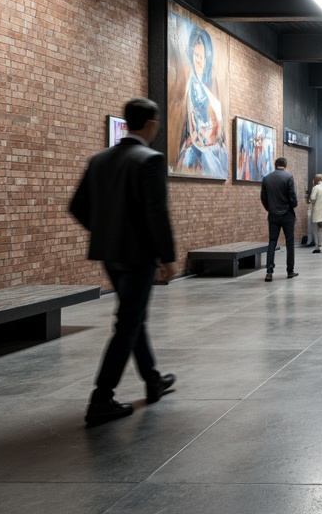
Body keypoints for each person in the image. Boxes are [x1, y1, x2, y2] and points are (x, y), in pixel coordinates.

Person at [70, 97, 178, 426]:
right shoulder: (150, 159)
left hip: (110, 253)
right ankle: (101, 398)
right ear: (151, 124)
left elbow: (77, 206)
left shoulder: (99, 159)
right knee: (128, 322)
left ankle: (153, 379)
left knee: (133, 318)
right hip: (139, 255)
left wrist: (106, 231)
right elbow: (156, 213)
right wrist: (167, 257)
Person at [174, 26, 227, 177]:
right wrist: (193, 138)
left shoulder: (211, 87)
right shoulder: (190, 85)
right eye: (196, 56)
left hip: (210, 148)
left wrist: (205, 139)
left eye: (202, 57)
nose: (198, 62)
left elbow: (218, 126)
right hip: (196, 144)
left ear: (207, 59)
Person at [260, 157, 299, 280]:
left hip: (273, 215)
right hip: (287, 215)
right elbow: (293, 197)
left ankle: (269, 271)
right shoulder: (288, 177)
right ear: (285, 165)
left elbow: (263, 197)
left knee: (272, 242)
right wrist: (293, 205)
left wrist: (269, 208)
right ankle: (290, 271)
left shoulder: (267, 179)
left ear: (275, 165)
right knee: (289, 242)